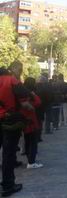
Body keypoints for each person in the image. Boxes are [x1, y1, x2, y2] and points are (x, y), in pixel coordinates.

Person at [0, 63, 33, 197]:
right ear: (13, 69)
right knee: (8, 153)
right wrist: (32, 109)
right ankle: (8, 185)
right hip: (9, 121)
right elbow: (25, 103)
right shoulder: (12, 81)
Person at [23, 77, 43, 169]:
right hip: (31, 120)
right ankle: (31, 161)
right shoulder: (30, 94)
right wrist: (33, 94)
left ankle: (29, 159)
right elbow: (38, 102)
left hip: (24, 120)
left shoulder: (21, 93)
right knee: (33, 141)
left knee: (27, 140)